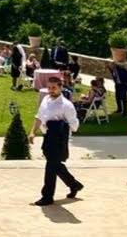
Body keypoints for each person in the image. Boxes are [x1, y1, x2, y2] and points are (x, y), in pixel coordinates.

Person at [28, 76, 83, 206]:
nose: (51, 90)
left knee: (50, 167)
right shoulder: (46, 99)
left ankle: (47, 196)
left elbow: (74, 126)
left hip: (58, 140)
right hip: (47, 138)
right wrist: (32, 132)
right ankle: (74, 185)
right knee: (55, 166)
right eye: (49, 87)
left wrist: (61, 126)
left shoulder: (67, 105)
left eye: (54, 88)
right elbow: (39, 117)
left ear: (61, 87)